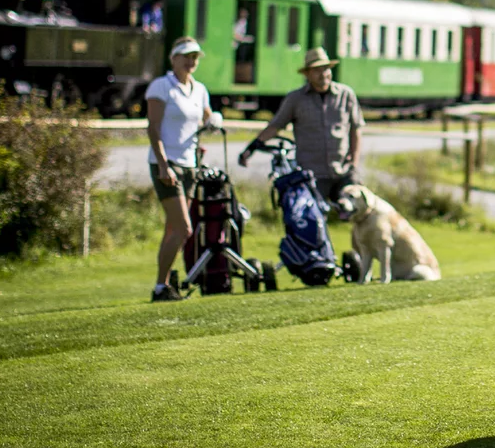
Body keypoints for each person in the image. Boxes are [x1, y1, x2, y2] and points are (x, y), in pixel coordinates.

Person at [146, 37, 220, 302]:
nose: (191, 62)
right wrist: (164, 164)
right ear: (173, 58)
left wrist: (213, 122)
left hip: (190, 164)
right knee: (184, 229)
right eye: (186, 56)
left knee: (173, 229)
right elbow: (153, 127)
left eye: (195, 58)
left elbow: (206, 117)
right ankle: (159, 286)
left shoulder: (199, 89)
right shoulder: (161, 86)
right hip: (167, 164)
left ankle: (164, 284)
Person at [247, 47, 363, 203]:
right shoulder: (296, 99)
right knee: (313, 220)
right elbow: (276, 126)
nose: (323, 74)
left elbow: (356, 129)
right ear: (307, 74)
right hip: (312, 174)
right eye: (317, 70)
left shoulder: (346, 95)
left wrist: (354, 164)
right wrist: (252, 147)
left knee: (355, 214)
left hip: (342, 171)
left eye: (326, 69)